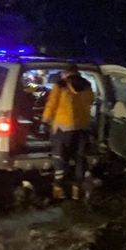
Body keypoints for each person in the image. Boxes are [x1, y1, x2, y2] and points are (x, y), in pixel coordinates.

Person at [42, 64, 94, 200]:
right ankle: (77, 188)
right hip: (82, 128)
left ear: (66, 73)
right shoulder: (87, 85)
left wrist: (45, 121)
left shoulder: (60, 85)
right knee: (80, 158)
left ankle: (59, 188)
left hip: (63, 128)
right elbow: (90, 101)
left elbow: (51, 104)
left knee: (60, 157)